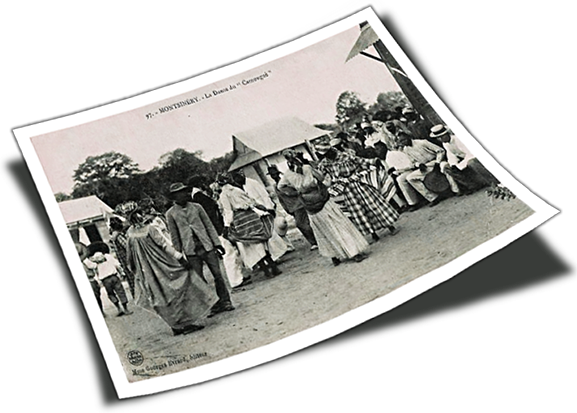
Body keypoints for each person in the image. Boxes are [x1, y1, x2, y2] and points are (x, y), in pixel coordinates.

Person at [125, 202, 217, 336]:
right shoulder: (150, 229)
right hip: (164, 265)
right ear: (139, 214)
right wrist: (180, 258)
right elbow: (164, 246)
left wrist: (135, 270)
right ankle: (185, 324)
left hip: (147, 271)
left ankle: (175, 325)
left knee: (161, 296)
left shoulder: (130, 233)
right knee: (178, 290)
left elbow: (130, 256)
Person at [278, 151, 369, 266]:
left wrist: (296, 192)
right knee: (338, 224)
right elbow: (320, 177)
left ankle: (334, 257)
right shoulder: (307, 167)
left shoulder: (287, 174)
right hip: (321, 199)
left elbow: (280, 187)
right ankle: (354, 253)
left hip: (308, 203)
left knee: (323, 230)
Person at [165, 183, 235, 318]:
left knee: (218, 275)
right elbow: (175, 237)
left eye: (185, 191)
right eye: (180, 192)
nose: (184, 194)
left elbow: (208, 226)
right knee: (200, 280)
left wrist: (217, 244)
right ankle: (212, 305)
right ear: (174, 196)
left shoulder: (197, 207)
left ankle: (225, 301)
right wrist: (179, 256)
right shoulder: (171, 214)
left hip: (207, 246)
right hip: (191, 251)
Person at [316, 146, 400, 242]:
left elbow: (361, 161)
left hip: (359, 183)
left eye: (329, 152)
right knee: (359, 211)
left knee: (373, 205)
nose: (328, 155)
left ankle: (390, 226)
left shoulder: (346, 156)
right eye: (325, 154)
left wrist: (374, 162)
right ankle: (373, 233)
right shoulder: (324, 163)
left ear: (332, 150)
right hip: (346, 189)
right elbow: (321, 176)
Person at [188, 176, 251, 289]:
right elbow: (211, 215)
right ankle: (235, 280)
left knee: (230, 252)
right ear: (199, 183)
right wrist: (221, 228)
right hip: (217, 229)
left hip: (214, 229)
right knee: (229, 253)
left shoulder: (195, 198)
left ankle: (238, 277)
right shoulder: (200, 197)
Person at [217, 173, 282, 278]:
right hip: (251, 216)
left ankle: (266, 271)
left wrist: (227, 225)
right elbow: (252, 201)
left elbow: (229, 211)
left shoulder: (224, 195)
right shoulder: (238, 190)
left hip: (241, 220)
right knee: (261, 241)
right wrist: (262, 208)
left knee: (252, 247)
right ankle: (273, 267)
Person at [229, 171, 290, 261]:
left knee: (275, 228)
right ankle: (277, 254)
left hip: (265, 208)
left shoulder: (252, 183)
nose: (238, 180)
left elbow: (264, 195)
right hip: (256, 213)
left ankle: (285, 248)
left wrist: (269, 207)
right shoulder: (239, 189)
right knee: (268, 233)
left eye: (239, 177)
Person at [431, 124, 500, 194]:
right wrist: (453, 165)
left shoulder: (458, 139)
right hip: (463, 159)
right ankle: (472, 185)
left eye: (442, 136)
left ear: (447, 134)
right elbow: (451, 156)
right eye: (438, 138)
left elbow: (470, 153)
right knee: (446, 167)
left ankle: (494, 182)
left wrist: (461, 164)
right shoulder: (445, 144)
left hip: (474, 155)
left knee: (472, 162)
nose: (441, 139)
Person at [395, 131, 456, 208]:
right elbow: (413, 162)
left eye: (404, 139)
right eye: (401, 141)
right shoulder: (406, 150)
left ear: (408, 137)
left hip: (435, 161)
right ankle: (433, 198)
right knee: (410, 178)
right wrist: (418, 164)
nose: (403, 142)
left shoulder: (422, 142)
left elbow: (440, 150)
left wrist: (437, 162)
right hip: (425, 166)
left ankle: (455, 190)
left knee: (444, 167)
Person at [267, 164, 318, 250]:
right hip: (292, 208)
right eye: (272, 175)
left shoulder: (286, 182)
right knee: (304, 224)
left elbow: (297, 191)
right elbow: (281, 199)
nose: (273, 176)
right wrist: (287, 209)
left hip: (299, 204)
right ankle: (314, 240)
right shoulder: (275, 186)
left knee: (302, 224)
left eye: (275, 174)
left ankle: (315, 241)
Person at [87, 241, 133, 317]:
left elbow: (91, 266)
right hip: (114, 277)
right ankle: (126, 308)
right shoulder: (108, 256)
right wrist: (122, 273)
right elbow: (117, 264)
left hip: (105, 280)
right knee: (120, 292)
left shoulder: (93, 261)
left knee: (111, 294)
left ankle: (118, 308)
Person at [108, 216, 135, 297]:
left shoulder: (114, 237)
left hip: (125, 261)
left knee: (131, 279)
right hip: (129, 260)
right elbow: (127, 247)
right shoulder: (119, 236)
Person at [77, 242, 104, 315]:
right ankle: (101, 312)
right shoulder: (85, 260)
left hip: (85, 281)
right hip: (90, 280)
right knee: (97, 296)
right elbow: (94, 266)